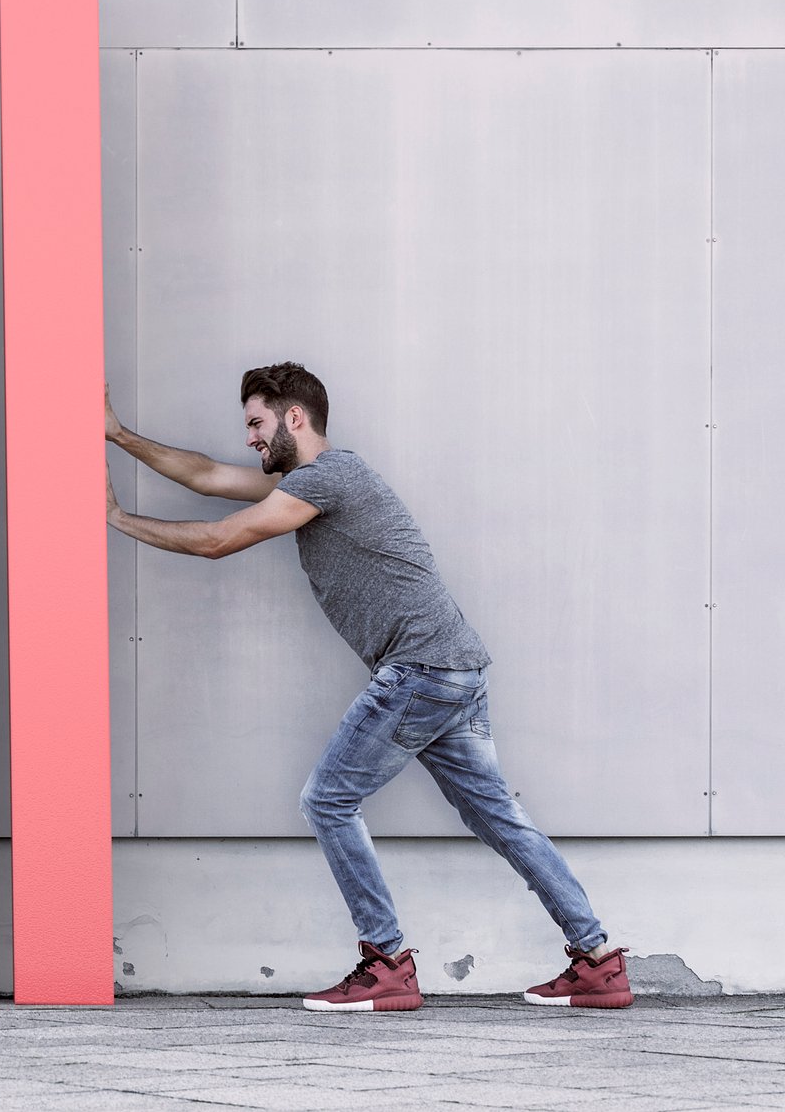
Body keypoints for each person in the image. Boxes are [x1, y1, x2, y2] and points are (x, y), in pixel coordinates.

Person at [103, 361, 632, 1013]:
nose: (248, 439)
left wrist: (118, 520)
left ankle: (385, 961)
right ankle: (598, 959)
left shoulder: (328, 478)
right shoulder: (310, 480)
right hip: (452, 670)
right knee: (497, 816)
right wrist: (118, 436)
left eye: (256, 423)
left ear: (294, 417)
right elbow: (208, 477)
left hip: (420, 669)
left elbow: (218, 539)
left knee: (326, 800)